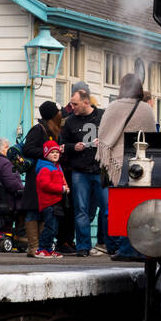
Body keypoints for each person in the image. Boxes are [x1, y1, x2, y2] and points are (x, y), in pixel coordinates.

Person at [96, 73, 156, 258]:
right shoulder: (145, 109)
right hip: (140, 163)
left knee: (120, 207)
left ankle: (123, 248)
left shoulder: (113, 107)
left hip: (117, 163)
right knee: (141, 208)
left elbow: (104, 136)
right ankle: (140, 248)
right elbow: (152, 136)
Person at [61, 87, 106, 257]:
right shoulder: (70, 122)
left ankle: (111, 245)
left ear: (86, 102)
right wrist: (74, 147)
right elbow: (62, 144)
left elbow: (115, 136)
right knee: (81, 210)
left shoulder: (103, 116)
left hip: (101, 169)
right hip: (79, 171)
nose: (71, 107)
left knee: (107, 209)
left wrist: (103, 142)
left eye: (75, 104)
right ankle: (83, 247)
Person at [19, 102, 62, 257]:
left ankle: (42, 247)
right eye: (58, 112)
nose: (61, 114)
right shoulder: (38, 129)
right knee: (32, 211)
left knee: (45, 210)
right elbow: (28, 149)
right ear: (52, 115)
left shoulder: (53, 130)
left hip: (48, 176)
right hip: (36, 177)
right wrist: (48, 152)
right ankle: (34, 247)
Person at [33, 140, 70, 258]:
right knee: (50, 227)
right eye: (52, 152)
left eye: (57, 152)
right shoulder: (45, 168)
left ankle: (48, 249)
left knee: (54, 228)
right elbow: (45, 185)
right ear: (46, 154)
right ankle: (42, 249)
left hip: (56, 202)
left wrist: (65, 187)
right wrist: (61, 188)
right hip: (49, 203)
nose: (55, 154)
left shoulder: (56, 167)